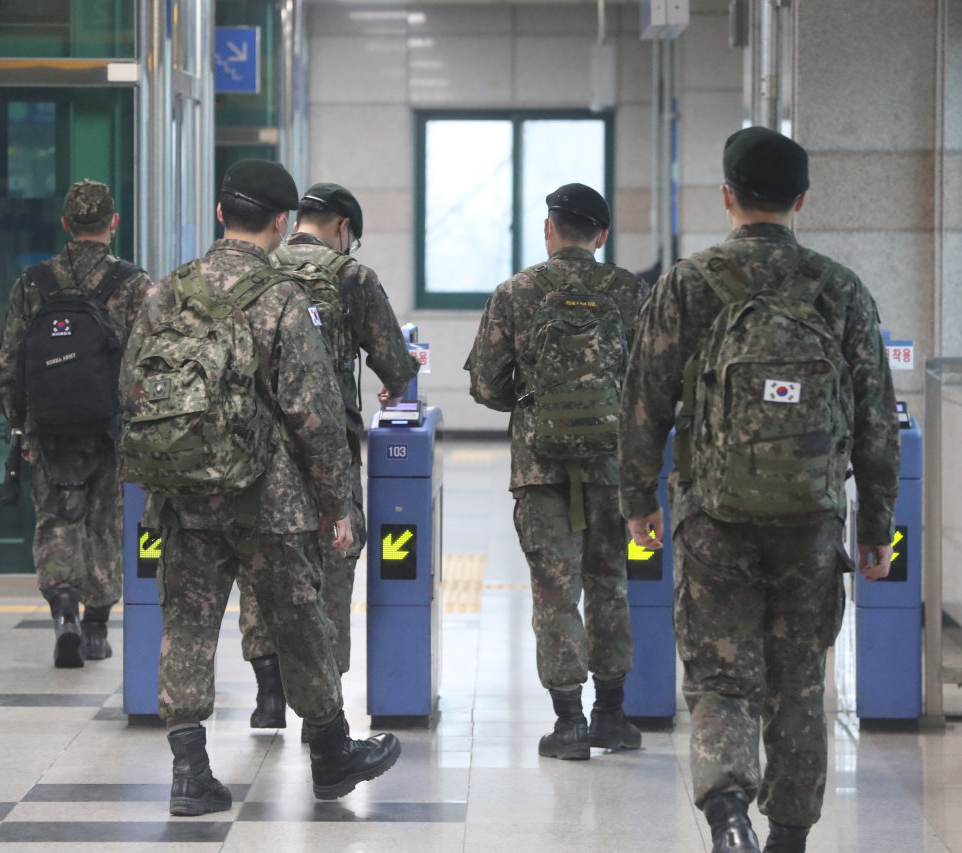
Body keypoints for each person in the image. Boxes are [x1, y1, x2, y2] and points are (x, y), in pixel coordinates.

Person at [618, 127, 900, 853]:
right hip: (811, 522)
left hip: (713, 518)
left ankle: (728, 814)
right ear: (800, 200)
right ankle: (790, 836)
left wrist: (639, 503)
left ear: (727, 195)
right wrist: (877, 528)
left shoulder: (688, 283)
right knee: (800, 679)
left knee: (720, 678)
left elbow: (643, 401)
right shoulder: (840, 289)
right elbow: (876, 422)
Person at [121, 159, 401, 816]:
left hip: (183, 492)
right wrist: (338, 504)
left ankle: (190, 769)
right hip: (267, 500)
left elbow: (132, 388)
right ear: (280, 223)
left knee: (186, 623)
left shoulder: (168, 291)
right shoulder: (279, 299)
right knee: (299, 618)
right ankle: (331, 754)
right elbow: (314, 411)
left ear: (221, 214)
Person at [464, 182, 648, 760]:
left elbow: (486, 387)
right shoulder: (629, 292)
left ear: (549, 229)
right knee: (610, 585)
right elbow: (655, 384)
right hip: (614, 468)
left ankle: (568, 725)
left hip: (541, 472)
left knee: (555, 592)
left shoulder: (516, 292)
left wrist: (534, 397)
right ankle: (612, 716)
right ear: (602, 235)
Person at [237, 182, 420, 735]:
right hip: (329, 448)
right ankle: (324, 706)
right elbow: (395, 363)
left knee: (260, 565)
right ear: (343, 228)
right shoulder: (353, 279)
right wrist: (395, 383)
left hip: (255, 450)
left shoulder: (257, 272)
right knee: (333, 565)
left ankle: (268, 694)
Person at [0, 178, 150, 668]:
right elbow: (151, 364)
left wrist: (22, 426)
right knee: (104, 526)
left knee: (57, 520)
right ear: (113, 223)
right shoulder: (134, 284)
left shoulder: (34, 282)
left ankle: (64, 613)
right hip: (110, 432)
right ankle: (97, 631)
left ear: (65, 224)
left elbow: (7, 365)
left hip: (49, 430)